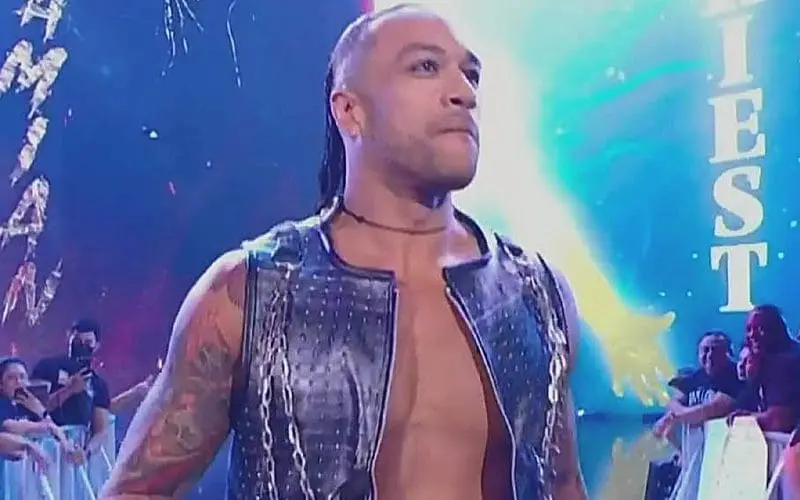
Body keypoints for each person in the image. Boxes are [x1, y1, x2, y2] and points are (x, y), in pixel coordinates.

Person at [102, 4, 587, 500]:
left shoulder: (536, 295)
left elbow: (563, 484)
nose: (464, 92)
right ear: (350, 111)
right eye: (425, 66)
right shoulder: (250, 293)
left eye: (472, 74)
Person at [31, 318, 112, 453]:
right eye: (77, 341)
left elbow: (100, 430)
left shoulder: (98, 384)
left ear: (96, 345)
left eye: (88, 343)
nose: (81, 346)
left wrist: (87, 452)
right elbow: (33, 407)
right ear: (68, 338)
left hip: (75, 448)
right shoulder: (47, 367)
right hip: (43, 444)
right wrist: (69, 390)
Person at [653, 331, 741, 438]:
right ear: (698, 354)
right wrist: (670, 417)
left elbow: (714, 408)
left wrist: (677, 415)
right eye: (705, 350)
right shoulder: (696, 377)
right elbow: (674, 402)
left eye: (716, 350)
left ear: (728, 354)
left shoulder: (736, 376)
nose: (710, 355)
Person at [0, 357, 84, 463]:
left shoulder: (27, 404)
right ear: (1, 384)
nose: (18, 381)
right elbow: (10, 426)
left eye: (22, 377)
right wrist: (42, 427)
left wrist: (40, 410)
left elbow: (53, 427)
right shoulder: (3, 403)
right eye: (11, 378)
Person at [733, 304, 800, 432]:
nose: (752, 335)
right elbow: (743, 406)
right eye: (749, 329)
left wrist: (746, 420)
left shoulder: (786, 361)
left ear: (777, 330)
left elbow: (779, 420)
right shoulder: (763, 359)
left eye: (760, 328)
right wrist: (751, 379)